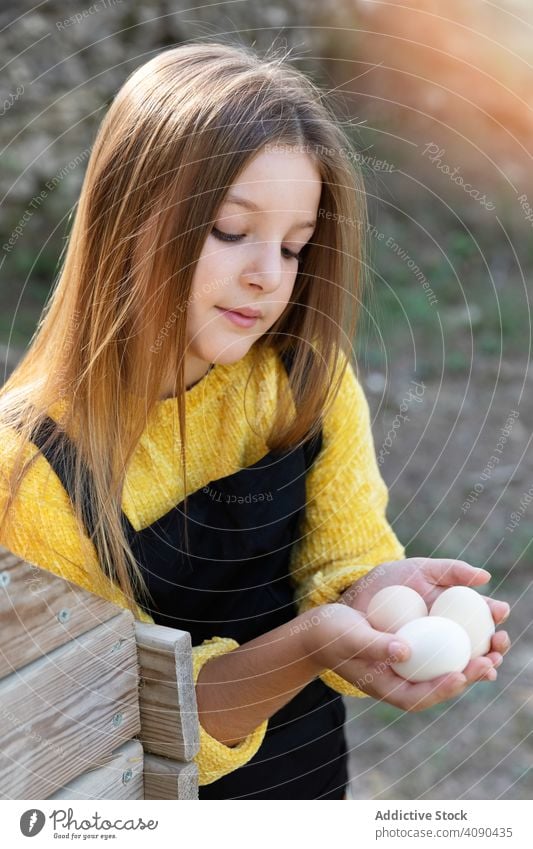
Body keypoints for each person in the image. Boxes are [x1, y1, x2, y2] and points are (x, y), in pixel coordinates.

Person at [0, 40, 510, 800]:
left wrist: (370, 598)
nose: (266, 275)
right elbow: (122, 728)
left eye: (293, 245)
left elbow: (342, 562)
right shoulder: (31, 472)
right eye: (230, 231)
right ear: (129, 216)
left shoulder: (305, 378)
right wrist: (307, 644)